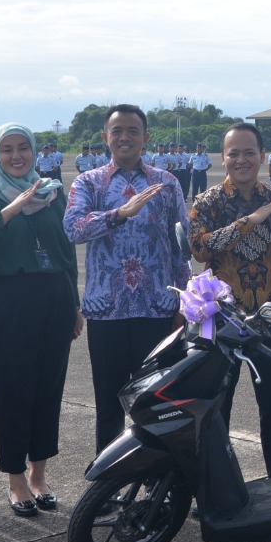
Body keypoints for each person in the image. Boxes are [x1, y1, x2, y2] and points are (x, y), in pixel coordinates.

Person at [0, 122, 81, 517]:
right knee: (12, 392)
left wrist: (75, 304)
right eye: (8, 149)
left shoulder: (52, 193)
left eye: (23, 148)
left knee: (49, 388)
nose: (16, 156)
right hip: (8, 303)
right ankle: (15, 479)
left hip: (55, 298)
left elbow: (66, 248)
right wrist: (9, 212)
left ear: (34, 152)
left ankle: (39, 474)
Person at [64, 104, 190, 455]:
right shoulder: (88, 182)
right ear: (105, 137)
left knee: (155, 403)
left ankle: (154, 484)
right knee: (109, 405)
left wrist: (184, 302)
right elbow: (72, 229)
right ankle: (109, 484)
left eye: (133, 130)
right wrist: (118, 214)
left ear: (146, 137)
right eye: (117, 130)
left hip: (157, 308)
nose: (124, 137)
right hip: (108, 309)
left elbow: (182, 247)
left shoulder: (166, 183)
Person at [190, 122, 271, 477]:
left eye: (249, 152)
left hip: (268, 321)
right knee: (215, 409)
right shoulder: (207, 202)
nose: (242, 160)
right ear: (222, 159)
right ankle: (215, 486)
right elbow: (199, 248)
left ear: (262, 156)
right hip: (220, 322)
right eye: (233, 153)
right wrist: (249, 221)